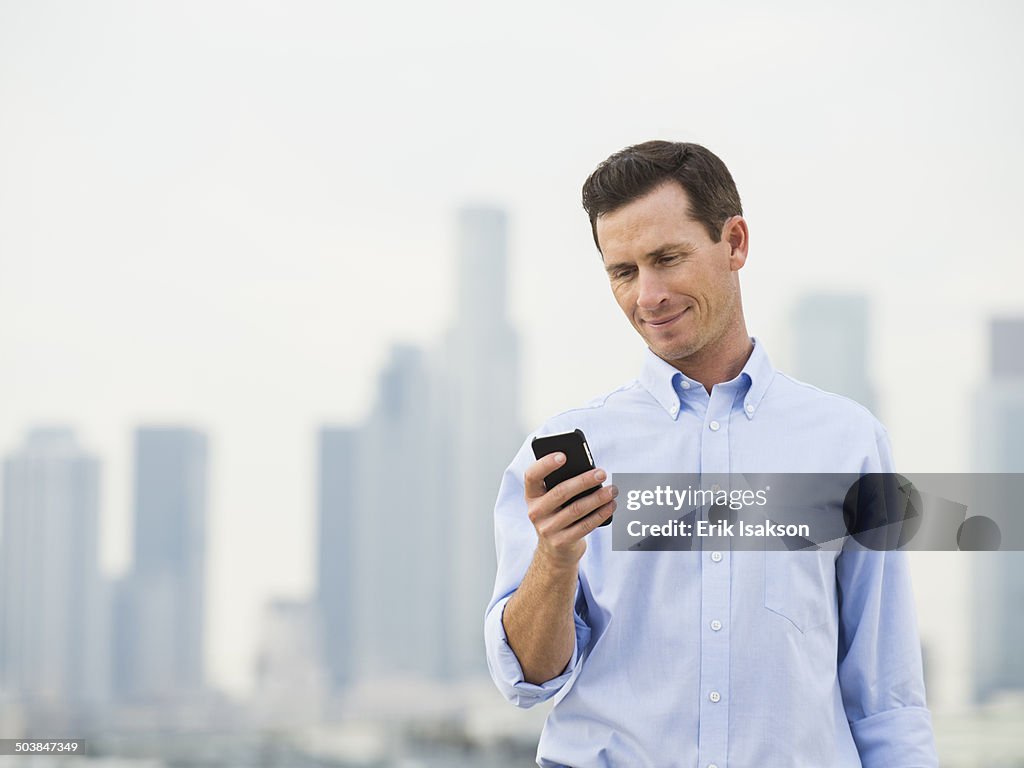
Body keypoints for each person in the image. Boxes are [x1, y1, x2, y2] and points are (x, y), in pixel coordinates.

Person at [483, 141, 938, 768]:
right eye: (623, 271)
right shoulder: (567, 453)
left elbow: (885, 691)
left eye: (668, 259)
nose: (648, 295)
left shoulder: (847, 441)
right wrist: (555, 560)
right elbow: (528, 678)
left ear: (736, 243)